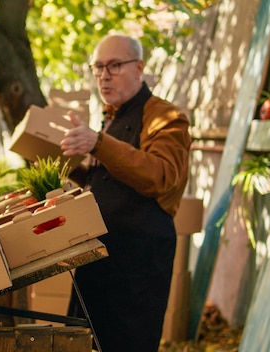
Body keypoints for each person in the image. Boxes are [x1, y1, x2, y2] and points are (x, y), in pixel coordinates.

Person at [60, 34, 191, 351]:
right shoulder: (110, 117)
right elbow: (110, 178)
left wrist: (98, 144)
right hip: (99, 255)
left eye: (115, 65)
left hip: (137, 266)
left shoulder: (165, 116)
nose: (104, 75)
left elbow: (160, 176)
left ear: (139, 68)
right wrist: (66, 164)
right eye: (98, 67)